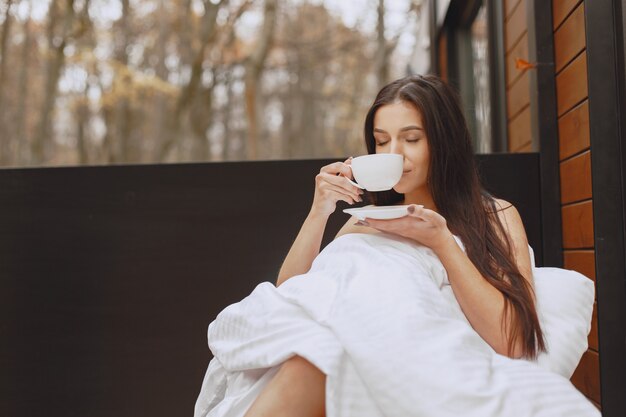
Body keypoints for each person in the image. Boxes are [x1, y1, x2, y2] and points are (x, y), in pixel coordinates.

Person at [195, 75, 598, 417]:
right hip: (332, 343)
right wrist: (320, 211)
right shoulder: (365, 220)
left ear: (444, 143)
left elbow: (512, 341)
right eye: (381, 140)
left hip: (403, 348)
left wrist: (440, 241)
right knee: (315, 351)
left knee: (319, 357)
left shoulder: (492, 216)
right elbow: (294, 297)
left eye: (411, 139)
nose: (394, 155)